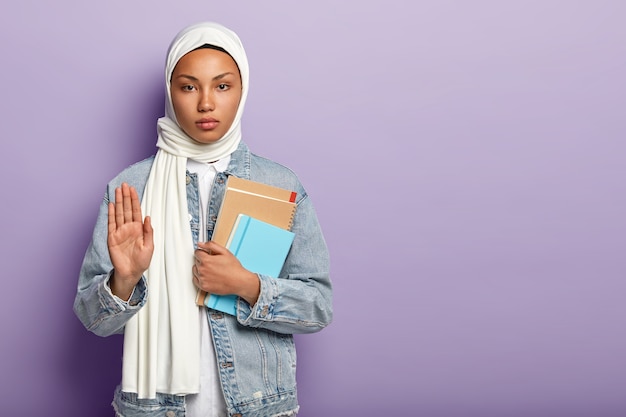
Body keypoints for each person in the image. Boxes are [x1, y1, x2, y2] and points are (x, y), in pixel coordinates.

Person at [74, 21, 333, 417]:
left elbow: (318, 307)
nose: (206, 103)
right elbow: (93, 320)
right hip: (157, 408)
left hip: (257, 406)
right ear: (170, 92)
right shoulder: (131, 188)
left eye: (223, 85)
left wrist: (246, 285)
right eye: (189, 86)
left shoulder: (281, 185)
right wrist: (123, 281)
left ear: (243, 91)